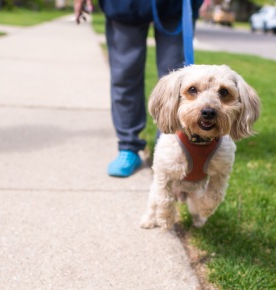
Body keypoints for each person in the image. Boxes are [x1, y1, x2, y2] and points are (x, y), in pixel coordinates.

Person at [74, 0, 202, 177]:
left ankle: (170, 147)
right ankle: (128, 147)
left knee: (177, 83)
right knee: (124, 76)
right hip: (123, 6)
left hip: (176, 6)